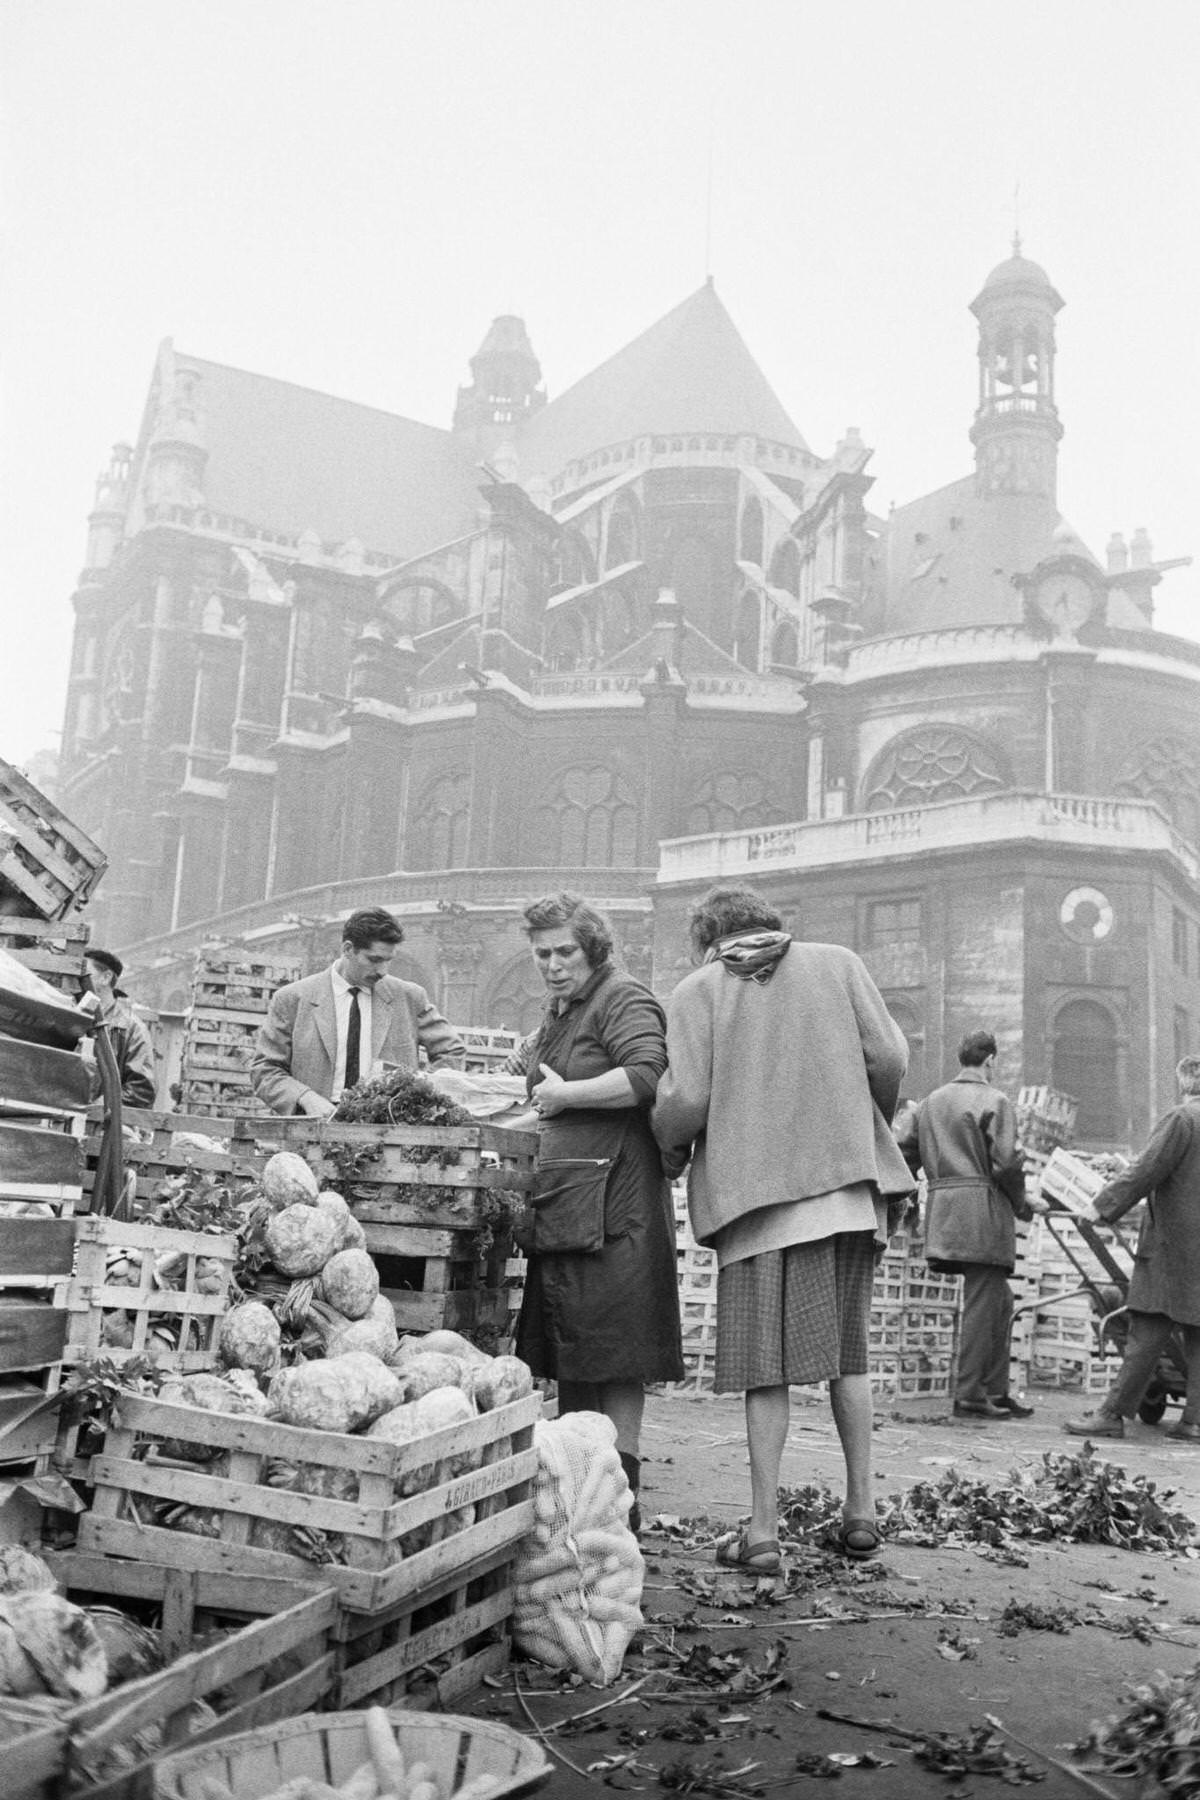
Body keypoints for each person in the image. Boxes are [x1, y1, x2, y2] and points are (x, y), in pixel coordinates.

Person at [652, 884, 915, 1572]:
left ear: (708, 941)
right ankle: (861, 1513)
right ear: (771, 924)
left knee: (763, 1370)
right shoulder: (839, 963)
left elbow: (686, 1098)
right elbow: (890, 1058)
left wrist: (670, 1153)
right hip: (848, 1193)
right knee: (849, 1356)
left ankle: (764, 1532)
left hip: (753, 1203)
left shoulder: (697, 990)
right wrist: (860, 1118)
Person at [514, 891, 683, 1530]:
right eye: (542, 955)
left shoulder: (622, 996)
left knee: (618, 1345)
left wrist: (567, 1094)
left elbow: (648, 1074)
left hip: (619, 1203)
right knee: (576, 1343)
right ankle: (583, 1492)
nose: (553, 965)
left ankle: (622, 1498)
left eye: (565, 952)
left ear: (593, 948)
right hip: (572, 1200)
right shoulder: (564, 1008)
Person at [905, 1030, 1045, 1421]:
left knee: (1000, 1301)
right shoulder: (995, 1100)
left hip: (945, 1211)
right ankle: (970, 1393)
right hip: (982, 1213)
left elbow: (904, 1153)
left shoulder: (931, 1102)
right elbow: (1007, 1163)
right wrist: (1023, 1202)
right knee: (984, 1304)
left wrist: (908, 1202)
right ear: (990, 1060)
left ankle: (996, 1390)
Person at [1064, 1054, 1200, 1443]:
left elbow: (1146, 1169)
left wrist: (1101, 1207)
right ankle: (1194, 1421)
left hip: (1173, 1248)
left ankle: (1112, 1414)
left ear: (1185, 1082)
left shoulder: (1182, 1120)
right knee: (1198, 1333)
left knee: (1148, 1327)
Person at [250, 907, 465, 1117]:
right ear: (348, 949)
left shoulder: (408, 996)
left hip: (389, 1129)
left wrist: (420, 1092)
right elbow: (265, 1070)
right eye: (374, 960)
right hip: (314, 1124)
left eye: (388, 960)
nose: (382, 971)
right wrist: (305, 1097)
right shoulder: (292, 999)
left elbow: (451, 1050)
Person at [83, 949, 157, 1110]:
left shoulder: (131, 1028)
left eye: (85, 974)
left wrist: (99, 1107)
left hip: (101, 1122)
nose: (78, 980)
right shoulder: (73, 1016)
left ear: (106, 977)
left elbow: (141, 1091)